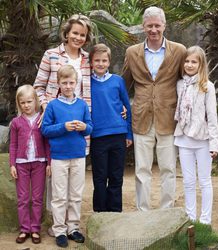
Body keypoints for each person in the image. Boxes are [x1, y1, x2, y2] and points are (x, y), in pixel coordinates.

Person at [33, 14, 92, 236]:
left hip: (80, 121)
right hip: (56, 118)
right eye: (75, 33)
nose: (78, 37)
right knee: (57, 180)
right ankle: (57, 226)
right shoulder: (51, 55)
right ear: (66, 33)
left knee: (76, 183)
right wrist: (49, 108)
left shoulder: (87, 58)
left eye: (82, 35)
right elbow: (38, 86)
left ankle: (72, 226)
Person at [122, 6, 186, 211]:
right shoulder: (132, 52)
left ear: (164, 26)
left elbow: (186, 81)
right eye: (149, 26)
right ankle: (143, 212)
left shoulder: (179, 50)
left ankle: (166, 212)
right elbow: (124, 85)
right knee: (142, 169)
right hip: (141, 118)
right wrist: (121, 109)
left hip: (168, 118)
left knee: (168, 168)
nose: (153, 30)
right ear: (143, 27)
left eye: (157, 25)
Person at [41, 65, 93, 248]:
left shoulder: (82, 104)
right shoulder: (53, 105)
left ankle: (73, 228)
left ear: (76, 82)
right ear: (58, 84)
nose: (69, 86)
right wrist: (63, 127)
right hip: (59, 157)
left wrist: (83, 128)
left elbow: (90, 126)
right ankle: (59, 230)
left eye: (71, 82)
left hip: (78, 155)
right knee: (59, 196)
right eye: (65, 83)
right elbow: (45, 130)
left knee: (76, 194)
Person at [174, 46, 218, 225]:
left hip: (203, 141)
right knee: (188, 182)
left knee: (205, 181)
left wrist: (214, 144)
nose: (190, 65)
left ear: (201, 64)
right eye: (187, 61)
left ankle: (205, 220)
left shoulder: (207, 86)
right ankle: (191, 218)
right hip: (183, 139)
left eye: (194, 61)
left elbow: (212, 116)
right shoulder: (179, 84)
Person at [89, 43, 133, 212]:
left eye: (104, 60)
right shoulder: (86, 82)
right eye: (97, 60)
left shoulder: (117, 81)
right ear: (91, 62)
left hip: (118, 134)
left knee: (116, 176)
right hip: (98, 136)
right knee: (100, 177)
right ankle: (100, 213)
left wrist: (129, 133)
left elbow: (126, 106)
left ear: (109, 62)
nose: (101, 63)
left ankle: (115, 212)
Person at [9, 85, 51, 244]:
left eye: (29, 101)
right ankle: (24, 229)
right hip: (21, 164)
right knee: (23, 198)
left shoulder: (42, 119)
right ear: (19, 104)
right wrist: (12, 164)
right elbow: (13, 144)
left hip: (39, 163)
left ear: (36, 101)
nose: (26, 105)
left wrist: (49, 162)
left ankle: (35, 229)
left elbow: (47, 142)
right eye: (23, 103)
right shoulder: (16, 122)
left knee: (37, 198)